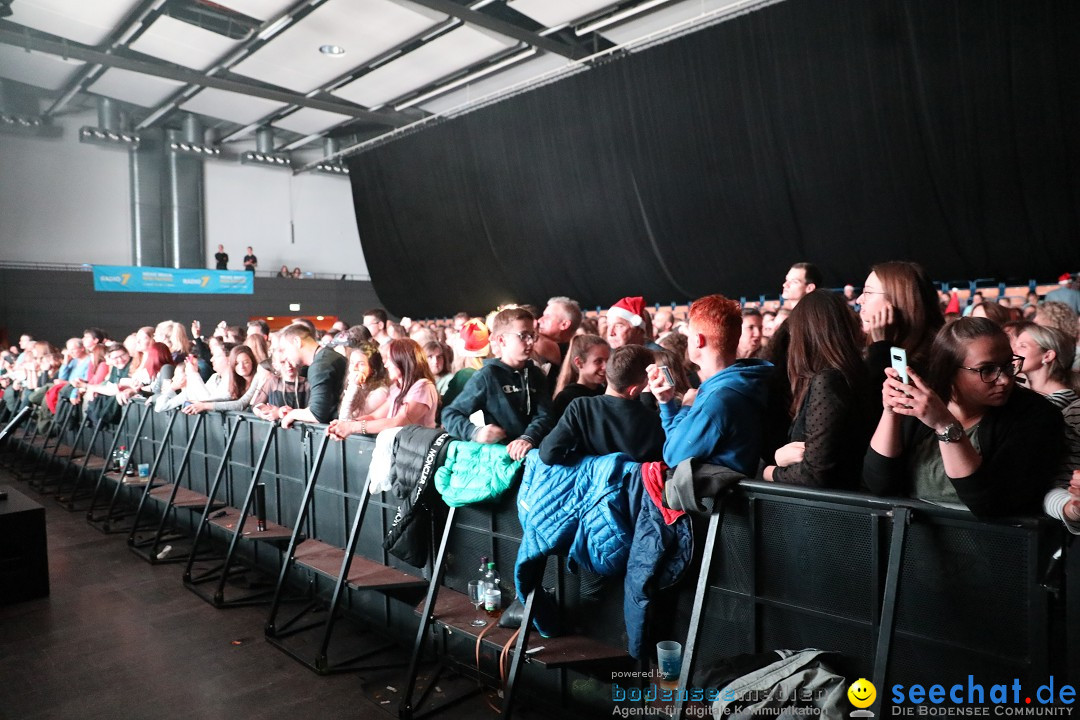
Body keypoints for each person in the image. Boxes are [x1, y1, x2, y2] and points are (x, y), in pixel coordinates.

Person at [864, 318, 1064, 518]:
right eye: (987, 369)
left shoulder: (1037, 416)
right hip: (912, 539)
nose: (1004, 379)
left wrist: (946, 426)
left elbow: (991, 506)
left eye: (1008, 365)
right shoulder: (925, 404)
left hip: (993, 543)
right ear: (949, 370)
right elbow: (879, 484)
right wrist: (891, 411)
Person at [647, 294, 773, 472]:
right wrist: (667, 403)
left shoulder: (718, 398)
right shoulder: (748, 379)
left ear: (698, 340)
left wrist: (685, 408)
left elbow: (673, 457)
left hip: (720, 498)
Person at [762, 291, 873, 488]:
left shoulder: (829, 380)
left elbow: (815, 474)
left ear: (805, 332)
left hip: (828, 512)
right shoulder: (855, 373)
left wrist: (770, 471)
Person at [441, 307, 554, 461]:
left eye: (532, 335)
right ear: (501, 340)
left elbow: (544, 415)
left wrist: (527, 438)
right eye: (523, 336)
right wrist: (476, 432)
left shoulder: (535, 374)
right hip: (501, 459)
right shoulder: (487, 376)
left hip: (533, 455)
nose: (530, 342)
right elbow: (450, 415)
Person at [539, 345, 664, 465]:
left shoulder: (582, 408)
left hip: (587, 485)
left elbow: (548, 454)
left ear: (609, 373)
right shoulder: (654, 421)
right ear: (633, 389)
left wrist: (584, 460)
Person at [327, 339, 439, 437]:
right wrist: (345, 425)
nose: (386, 365)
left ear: (403, 361)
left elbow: (398, 422)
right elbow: (375, 416)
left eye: (390, 360)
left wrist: (351, 427)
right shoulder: (397, 388)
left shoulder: (423, 386)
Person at [857, 261, 945, 382]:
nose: (859, 300)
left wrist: (881, 346)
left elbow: (878, 396)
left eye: (868, 292)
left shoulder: (927, 361)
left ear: (897, 299)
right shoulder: (863, 344)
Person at [277, 322, 347, 428]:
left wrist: (292, 414)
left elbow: (317, 414)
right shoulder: (330, 356)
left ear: (297, 342)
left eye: (284, 349)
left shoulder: (320, 366)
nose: (285, 356)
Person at [550, 334, 609, 420]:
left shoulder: (606, 392)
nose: (605, 367)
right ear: (579, 362)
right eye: (598, 361)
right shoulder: (567, 398)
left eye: (608, 360)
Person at [338, 341, 391, 419]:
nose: (354, 368)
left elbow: (346, 420)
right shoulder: (359, 385)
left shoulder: (380, 392)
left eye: (361, 364)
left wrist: (353, 386)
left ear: (373, 369)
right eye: (352, 363)